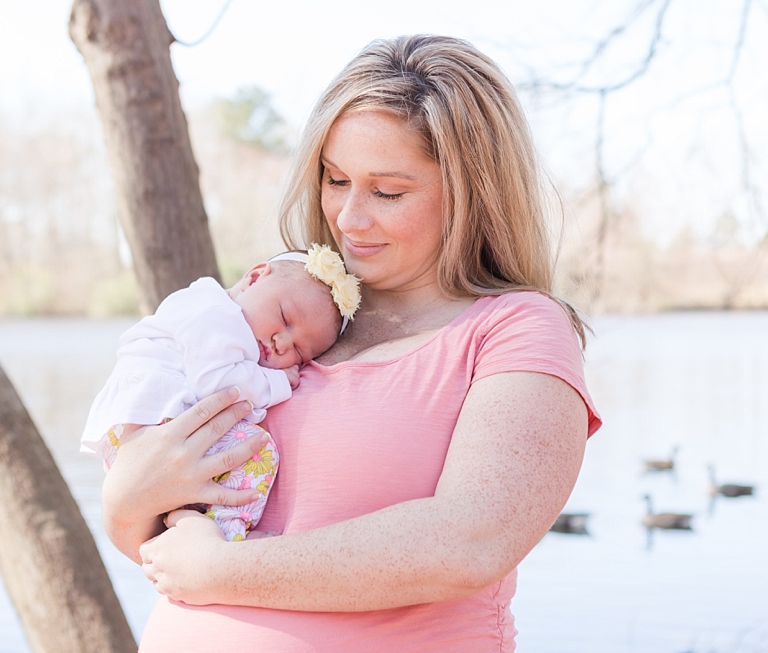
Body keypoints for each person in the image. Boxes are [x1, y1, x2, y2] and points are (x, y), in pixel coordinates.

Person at [101, 34, 602, 652]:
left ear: (473, 193)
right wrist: (124, 503)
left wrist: (223, 572)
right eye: (335, 180)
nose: (349, 218)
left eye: (388, 192)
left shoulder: (514, 329)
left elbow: (471, 542)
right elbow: (163, 535)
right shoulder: (277, 319)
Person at [81, 245, 360, 541]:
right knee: (258, 449)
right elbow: (218, 385)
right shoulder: (217, 314)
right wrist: (277, 381)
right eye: (284, 317)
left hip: (142, 428)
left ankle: (189, 525)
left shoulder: (209, 308)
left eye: (299, 351)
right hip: (150, 421)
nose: (282, 342)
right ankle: (229, 532)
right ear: (255, 278)